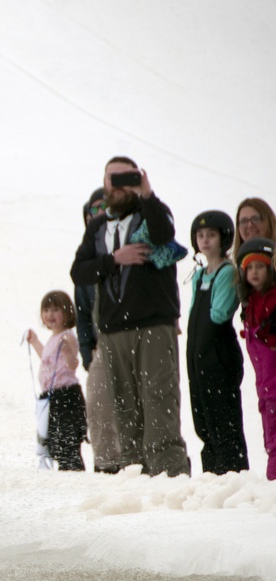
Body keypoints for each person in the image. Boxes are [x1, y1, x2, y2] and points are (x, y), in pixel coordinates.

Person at [70, 156, 190, 476]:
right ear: (105, 182)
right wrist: (114, 259)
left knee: (159, 403)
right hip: (112, 331)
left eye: (126, 177)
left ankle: (171, 478)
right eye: (113, 178)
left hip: (153, 323)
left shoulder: (151, 212)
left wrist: (147, 194)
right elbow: (78, 272)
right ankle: (135, 477)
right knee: (125, 411)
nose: (118, 184)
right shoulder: (97, 227)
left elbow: (165, 234)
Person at [186, 211, 249, 474]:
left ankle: (232, 473)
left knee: (224, 418)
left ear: (223, 237)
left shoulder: (227, 271)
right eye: (200, 235)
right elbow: (192, 314)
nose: (205, 240)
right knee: (203, 418)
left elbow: (220, 314)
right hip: (197, 355)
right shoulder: (199, 275)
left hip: (218, 353)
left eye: (211, 235)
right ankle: (212, 474)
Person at [74, 187, 122, 473]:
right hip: (100, 344)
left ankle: (136, 463)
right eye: (94, 209)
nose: (100, 212)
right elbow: (81, 313)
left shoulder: (123, 246)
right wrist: (86, 353)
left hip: (126, 335)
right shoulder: (86, 263)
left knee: (131, 404)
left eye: (105, 206)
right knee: (99, 404)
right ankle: (108, 466)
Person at [26, 290, 87, 471]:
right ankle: (65, 473)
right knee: (54, 442)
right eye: (46, 310)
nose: (49, 315)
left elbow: (73, 363)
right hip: (53, 397)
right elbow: (47, 358)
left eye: (55, 310)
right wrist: (35, 341)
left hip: (66, 396)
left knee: (67, 442)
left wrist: (69, 352)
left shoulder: (67, 336)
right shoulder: (53, 338)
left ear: (67, 313)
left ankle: (74, 473)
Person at [234, 237, 276, 480]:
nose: (254, 272)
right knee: (270, 435)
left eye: (260, 266)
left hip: (272, 384)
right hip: (265, 386)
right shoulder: (249, 302)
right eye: (250, 267)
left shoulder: (272, 297)